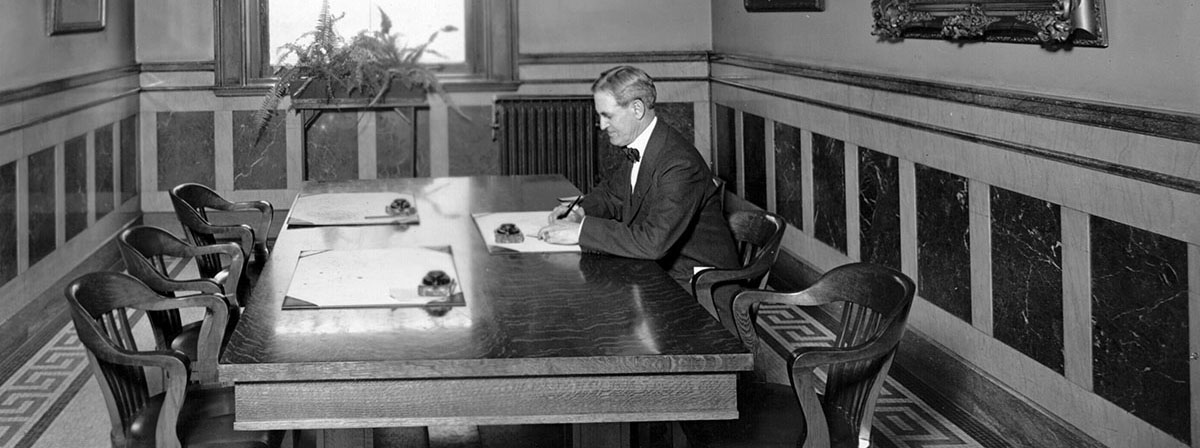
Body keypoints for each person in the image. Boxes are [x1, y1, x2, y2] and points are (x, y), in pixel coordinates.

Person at [538, 65, 738, 289]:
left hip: (698, 285)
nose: (602, 125)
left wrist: (581, 231)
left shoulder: (679, 164)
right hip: (661, 269)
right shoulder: (644, 144)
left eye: (608, 116)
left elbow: (653, 243)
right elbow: (611, 196)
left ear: (636, 109)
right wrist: (578, 212)